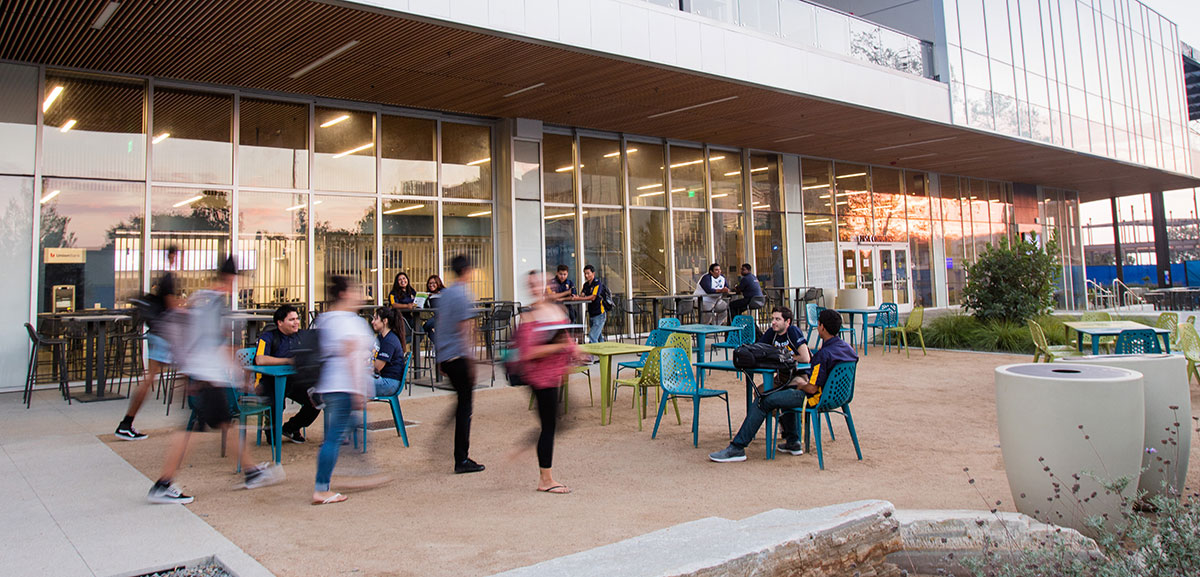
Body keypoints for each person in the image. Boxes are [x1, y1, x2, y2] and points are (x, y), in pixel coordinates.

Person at [148, 257, 284, 504]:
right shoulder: (218, 305)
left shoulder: (198, 297)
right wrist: (241, 376)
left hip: (196, 372)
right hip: (208, 376)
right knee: (193, 431)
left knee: (223, 425)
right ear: (231, 279)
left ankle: (252, 472)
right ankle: (163, 483)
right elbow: (221, 342)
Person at [708, 308, 857, 463]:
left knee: (763, 399)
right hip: (839, 398)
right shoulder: (848, 349)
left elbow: (812, 388)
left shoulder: (823, 354)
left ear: (821, 327)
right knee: (784, 392)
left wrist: (801, 386)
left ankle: (737, 447)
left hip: (814, 398)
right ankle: (792, 441)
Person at [312, 275, 377, 505]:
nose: (359, 295)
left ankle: (359, 470)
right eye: (355, 290)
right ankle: (322, 488)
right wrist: (359, 389)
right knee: (334, 437)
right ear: (343, 294)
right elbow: (352, 357)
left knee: (345, 429)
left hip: (330, 384)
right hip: (344, 385)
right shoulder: (349, 321)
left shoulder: (326, 319)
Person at [515, 271, 580, 494]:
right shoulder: (530, 317)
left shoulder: (555, 310)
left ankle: (533, 458)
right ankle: (546, 479)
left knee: (556, 421)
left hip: (556, 375)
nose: (536, 287)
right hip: (541, 378)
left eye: (540, 283)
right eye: (532, 284)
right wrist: (559, 348)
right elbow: (527, 352)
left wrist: (576, 351)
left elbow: (565, 338)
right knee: (549, 425)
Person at [117, 245, 180, 440]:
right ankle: (126, 423)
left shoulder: (164, 277)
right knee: (153, 378)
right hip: (163, 334)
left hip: (159, 333)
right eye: (177, 255)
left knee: (155, 377)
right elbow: (171, 306)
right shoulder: (168, 278)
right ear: (172, 256)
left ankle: (126, 423)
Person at [437, 255, 484, 474]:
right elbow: (465, 330)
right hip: (458, 356)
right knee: (465, 406)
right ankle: (461, 458)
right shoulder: (463, 295)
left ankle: (449, 442)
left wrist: (439, 358)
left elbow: (440, 325)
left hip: (446, 356)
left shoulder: (445, 294)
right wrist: (472, 361)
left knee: (460, 403)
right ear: (467, 270)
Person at [253, 304, 319, 444]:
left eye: (297, 318)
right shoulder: (268, 336)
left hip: (295, 381)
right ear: (280, 322)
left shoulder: (301, 336)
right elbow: (260, 359)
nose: (296, 322)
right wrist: (288, 361)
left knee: (316, 400)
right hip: (270, 382)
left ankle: (291, 428)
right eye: (291, 319)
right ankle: (271, 432)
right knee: (276, 408)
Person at [371, 306, 407, 397]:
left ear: (385, 321)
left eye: (375, 319)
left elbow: (376, 368)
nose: (372, 322)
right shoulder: (381, 338)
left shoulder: (389, 341)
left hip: (389, 383)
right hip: (383, 379)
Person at [576, 264, 609, 344]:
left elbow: (593, 297)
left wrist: (579, 298)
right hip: (591, 314)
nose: (586, 276)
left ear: (593, 273)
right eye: (585, 274)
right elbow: (582, 295)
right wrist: (577, 296)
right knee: (599, 337)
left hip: (599, 314)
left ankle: (591, 356)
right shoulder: (586, 285)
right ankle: (604, 354)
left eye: (588, 273)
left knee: (592, 336)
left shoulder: (597, 283)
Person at [422, 274, 445, 343]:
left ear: (438, 283)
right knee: (425, 327)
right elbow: (424, 307)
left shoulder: (444, 292)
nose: (431, 285)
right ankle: (439, 344)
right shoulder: (428, 295)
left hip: (445, 317)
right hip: (435, 317)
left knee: (427, 325)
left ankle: (439, 344)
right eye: (429, 283)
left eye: (434, 283)